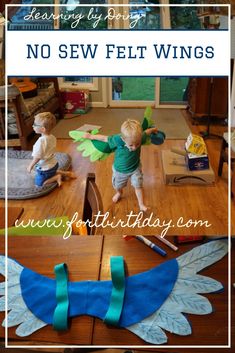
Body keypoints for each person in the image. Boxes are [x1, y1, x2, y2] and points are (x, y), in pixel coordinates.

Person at [83, 119, 157, 211]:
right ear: (123, 139)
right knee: (118, 186)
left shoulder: (139, 137)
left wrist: (153, 130)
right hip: (120, 171)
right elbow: (104, 138)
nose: (134, 148)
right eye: (131, 145)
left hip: (135, 168)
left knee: (138, 185)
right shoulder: (117, 140)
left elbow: (146, 132)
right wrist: (91, 136)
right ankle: (119, 193)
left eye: (137, 144)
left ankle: (141, 204)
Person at [27, 112, 76, 187]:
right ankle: (66, 173)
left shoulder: (40, 142)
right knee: (52, 171)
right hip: (54, 164)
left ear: (42, 129)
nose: (32, 126)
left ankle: (56, 177)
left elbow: (37, 157)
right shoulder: (52, 137)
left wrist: (30, 165)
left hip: (45, 168)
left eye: (35, 124)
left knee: (39, 184)